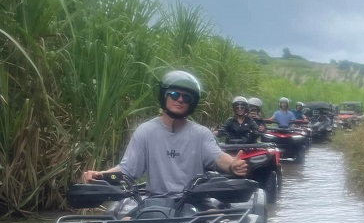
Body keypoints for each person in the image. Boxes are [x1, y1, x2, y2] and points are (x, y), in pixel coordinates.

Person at [81, 70, 247, 197]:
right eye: (174, 94)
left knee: (218, 222)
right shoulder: (145, 131)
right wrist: (100, 175)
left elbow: (217, 157)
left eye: (186, 97)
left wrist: (232, 165)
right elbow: (126, 169)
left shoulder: (201, 133)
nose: (180, 100)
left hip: (195, 200)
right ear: (164, 96)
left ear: (192, 103)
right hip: (154, 201)